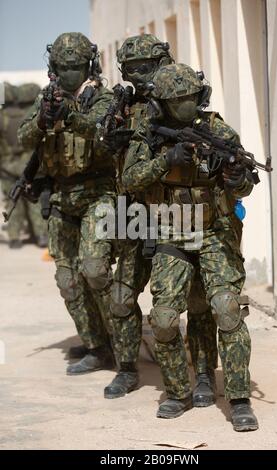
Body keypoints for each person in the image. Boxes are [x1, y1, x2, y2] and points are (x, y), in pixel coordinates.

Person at [122, 63, 259, 431]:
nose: (184, 105)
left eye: (189, 98)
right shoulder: (148, 134)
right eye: (175, 100)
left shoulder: (216, 129)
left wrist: (236, 178)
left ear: (200, 97)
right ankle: (178, 392)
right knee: (164, 318)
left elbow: (244, 182)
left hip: (214, 231)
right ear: (163, 103)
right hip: (170, 231)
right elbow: (129, 178)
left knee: (227, 309)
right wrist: (165, 160)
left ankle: (239, 397)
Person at [100, 35, 218, 408]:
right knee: (121, 294)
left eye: (147, 66)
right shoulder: (121, 105)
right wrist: (112, 137)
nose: (141, 76)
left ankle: (201, 374)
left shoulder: (178, 97)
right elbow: (108, 151)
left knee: (198, 301)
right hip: (131, 207)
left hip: (178, 211)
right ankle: (127, 368)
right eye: (132, 70)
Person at [18, 33, 116, 375]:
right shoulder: (46, 98)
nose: (69, 73)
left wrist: (70, 113)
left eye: (75, 67)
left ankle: (123, 342)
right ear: (53, 67)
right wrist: (45, 119)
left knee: (95, 269)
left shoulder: (101, 98)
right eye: (63, 66)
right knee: (67, 278)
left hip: (99, 195)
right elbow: (23, 137)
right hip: (62, 196)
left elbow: (102, 133)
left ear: (88, 65)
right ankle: (95, 345)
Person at [0, 82, 48, 248]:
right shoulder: (32, 113)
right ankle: (41, 235)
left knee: (13, 200)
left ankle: (14, 238)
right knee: (34, 199)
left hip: (8, 165)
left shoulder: (3, 116)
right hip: (30, 164)